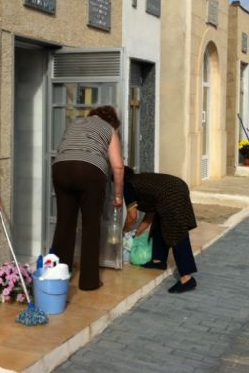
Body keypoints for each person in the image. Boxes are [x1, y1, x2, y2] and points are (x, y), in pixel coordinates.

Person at [51, 106, 124, 291]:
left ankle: (58, 277)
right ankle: (89, 282)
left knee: (64, 225)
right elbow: (118, 167)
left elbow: (65, 147)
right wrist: (117, 196)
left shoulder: (75, 122)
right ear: (112, 121)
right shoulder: (109, 130)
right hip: (90, 170)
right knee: (91, 227)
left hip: (61, 168)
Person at [122, 168, 198, 293]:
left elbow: (132, 216)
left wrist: (123, 233)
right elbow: (150, 215)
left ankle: (187, 278)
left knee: (176, 232)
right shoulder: (140, 181)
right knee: (159, 220)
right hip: (177, 186)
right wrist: (136, 233)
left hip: (172, 193)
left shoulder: (128, 186)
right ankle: (158, 260)